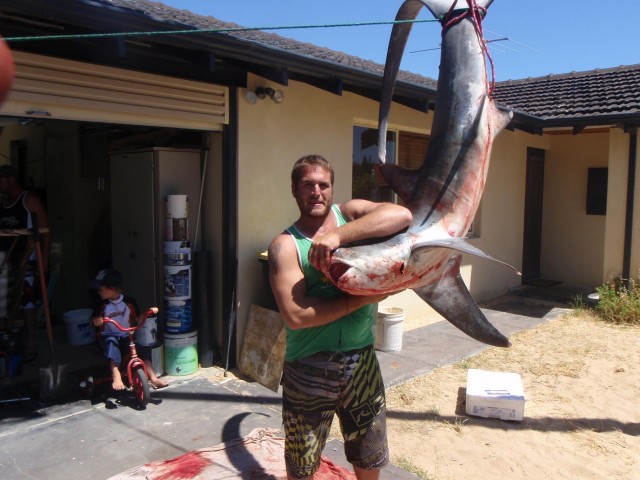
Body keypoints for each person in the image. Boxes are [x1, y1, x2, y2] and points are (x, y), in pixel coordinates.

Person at [268, 154, 412, 480]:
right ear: (294, 190)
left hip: (361, 362)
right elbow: (296, 315)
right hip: (308, 367)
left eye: (323, 184)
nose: (316, 191)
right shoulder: (285, 245)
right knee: (302, 465)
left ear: (332, 189)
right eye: (308, 185)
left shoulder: (349, 216)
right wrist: (364, 299)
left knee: (369, 456)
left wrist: (336, 237)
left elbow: (401, 214)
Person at [0, 164, 50, 362]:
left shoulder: (29, 200)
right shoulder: (3, 202)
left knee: (27, 301)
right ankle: (11, 340)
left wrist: (43, 259)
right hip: (5, 259)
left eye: (1, 179)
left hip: (26, 257)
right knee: (6, 301)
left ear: (11, 180)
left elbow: (45, 230)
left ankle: (30, 343)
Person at [88, 268, 169, 390]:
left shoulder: (128, 302)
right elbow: (92, 319)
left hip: (126, 335)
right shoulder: (102, 304)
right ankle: (116, 375)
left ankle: (153, 378)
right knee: (112, 344)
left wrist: (148, 312)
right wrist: (96, 320)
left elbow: (137, 318)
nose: (98, 292)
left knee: (141, 351)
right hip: (107, 336)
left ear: (112, 289)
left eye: (101, 289)